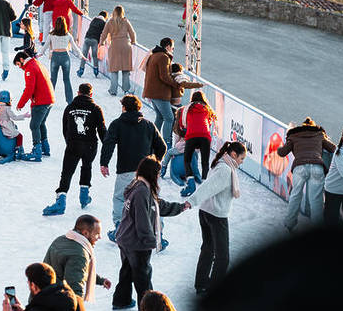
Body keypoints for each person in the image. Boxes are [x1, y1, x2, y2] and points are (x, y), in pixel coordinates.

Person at [113, 157, 189, 310]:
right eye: (158, 173)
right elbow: (142, 219)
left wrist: (180, 207)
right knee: (143, 275)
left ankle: (121, 300)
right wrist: (150, 241)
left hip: (125, 237)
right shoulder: (142, 191)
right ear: (151, 173)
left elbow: (158, 206)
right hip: (135, 241)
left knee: (127, 271)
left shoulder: (140, 186)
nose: (159, 176)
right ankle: (149, 309)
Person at [99, 95, 167, 236]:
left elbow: (108, 144)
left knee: (121, 198)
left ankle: (120, 228)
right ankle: (158, 232)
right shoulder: (148, 125)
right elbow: (162, 147)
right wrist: (156, 163)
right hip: (148, 173)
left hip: (126, 170)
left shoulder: (117, 124)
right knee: (152, 200)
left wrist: (104, 163)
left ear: (124, 107)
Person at [186, 141, 247, 294]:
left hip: (206, 211)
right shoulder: (225, 170)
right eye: (241, 158)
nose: (242, 162)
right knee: (222, 257)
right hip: (216, 215)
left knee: (208, 249)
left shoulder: (221, 163)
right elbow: (208, 188)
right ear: (234, 154)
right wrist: (191, 201)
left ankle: (201, 284)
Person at [45, 83, 106, 215]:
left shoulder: (70, 107)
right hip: (90, 145)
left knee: (67, 172)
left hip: (73, 144)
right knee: (87, 167)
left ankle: (60, 202)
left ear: (78, 93)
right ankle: (84, 197)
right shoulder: (96, 108)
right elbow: (102, 130)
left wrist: (69, 142)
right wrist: (106, 147)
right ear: (91, 94)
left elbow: (65, 128)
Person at [278, 117, 338, 231]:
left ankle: (289, 224)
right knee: (316, 199)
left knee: (296, 195)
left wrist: (287, 140)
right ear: (313, 127)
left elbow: (282, 152)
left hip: (299, 167)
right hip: (317, 167)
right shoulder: (319, 135)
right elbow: (333, 148)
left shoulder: (294, 135)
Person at [42, 215, 112, 301]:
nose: (100, 237)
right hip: (55, 302)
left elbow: (77, 271)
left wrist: (100, 280)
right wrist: (78, 307)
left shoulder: (61, 239)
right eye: (97, 234)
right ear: (85, 233)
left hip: (41, 296)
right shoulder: (79, 254)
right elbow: (74, 289)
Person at [141, 38, 183, 147]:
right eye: (172, 48)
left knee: (160, 116)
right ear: (168, 46)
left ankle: (153, 139)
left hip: (151, 92)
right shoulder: (164, 57)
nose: (173, 50)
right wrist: (176, 84)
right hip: (160, 93)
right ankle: (166, 143)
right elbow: (164, 76)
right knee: (169, 118)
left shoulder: (154, 55)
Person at [14, 51, 55, 162]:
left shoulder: (30, 68)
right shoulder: (37, 63)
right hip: (49, 99)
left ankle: (37, 151)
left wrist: (21, 103)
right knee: (41, 124)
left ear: (22, 59)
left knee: (34, 125)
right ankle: (45, 148)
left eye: (18, 64)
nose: (19, 67)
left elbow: (29, 88)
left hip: (41, 101)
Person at [176, 91, 218, 196]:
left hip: (191, 136)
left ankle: (191, 184)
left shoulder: (186, 109)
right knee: (205, 162)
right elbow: (210, 122)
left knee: (187, 160)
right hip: (205, 137)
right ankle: (204, 186)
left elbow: (182, 124)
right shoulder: (207, 108)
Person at [99, 6, 136, 96]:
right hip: (126, 46)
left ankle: (113, 90)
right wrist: (133, 41)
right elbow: (132, 33)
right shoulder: (125, 21)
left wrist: (101, 42)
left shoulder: (110, 22)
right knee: (126, 70)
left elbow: (104, 34)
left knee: (114, 70)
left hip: (115, 46)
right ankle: (126, 89)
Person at [46, 15, 83, 103]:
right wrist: (81, 55)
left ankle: (48, 99)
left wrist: (39, 54)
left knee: (53, 79)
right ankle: (70, 101)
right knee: (66, 79)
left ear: (55, 24)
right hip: (65, 57)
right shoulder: (68, 35)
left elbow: (45, 46)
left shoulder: (51, 35)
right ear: (65, 25)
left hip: (55, 57)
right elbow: (75, 47)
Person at [0, 90, 28, 163]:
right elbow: (14, 117)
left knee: (14, 127)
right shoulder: (7, 108)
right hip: (6, 128)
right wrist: (24, 116)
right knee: (20, 136)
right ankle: (19, 150)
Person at [76, 11, 107, 77]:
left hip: (87, 38)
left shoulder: (94, 19)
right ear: (105, 17)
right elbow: (104, 33)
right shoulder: (103, 23)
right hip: (95, 40)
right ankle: (96, 71)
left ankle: (81, 70)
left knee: (84, 55)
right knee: (94, 56)